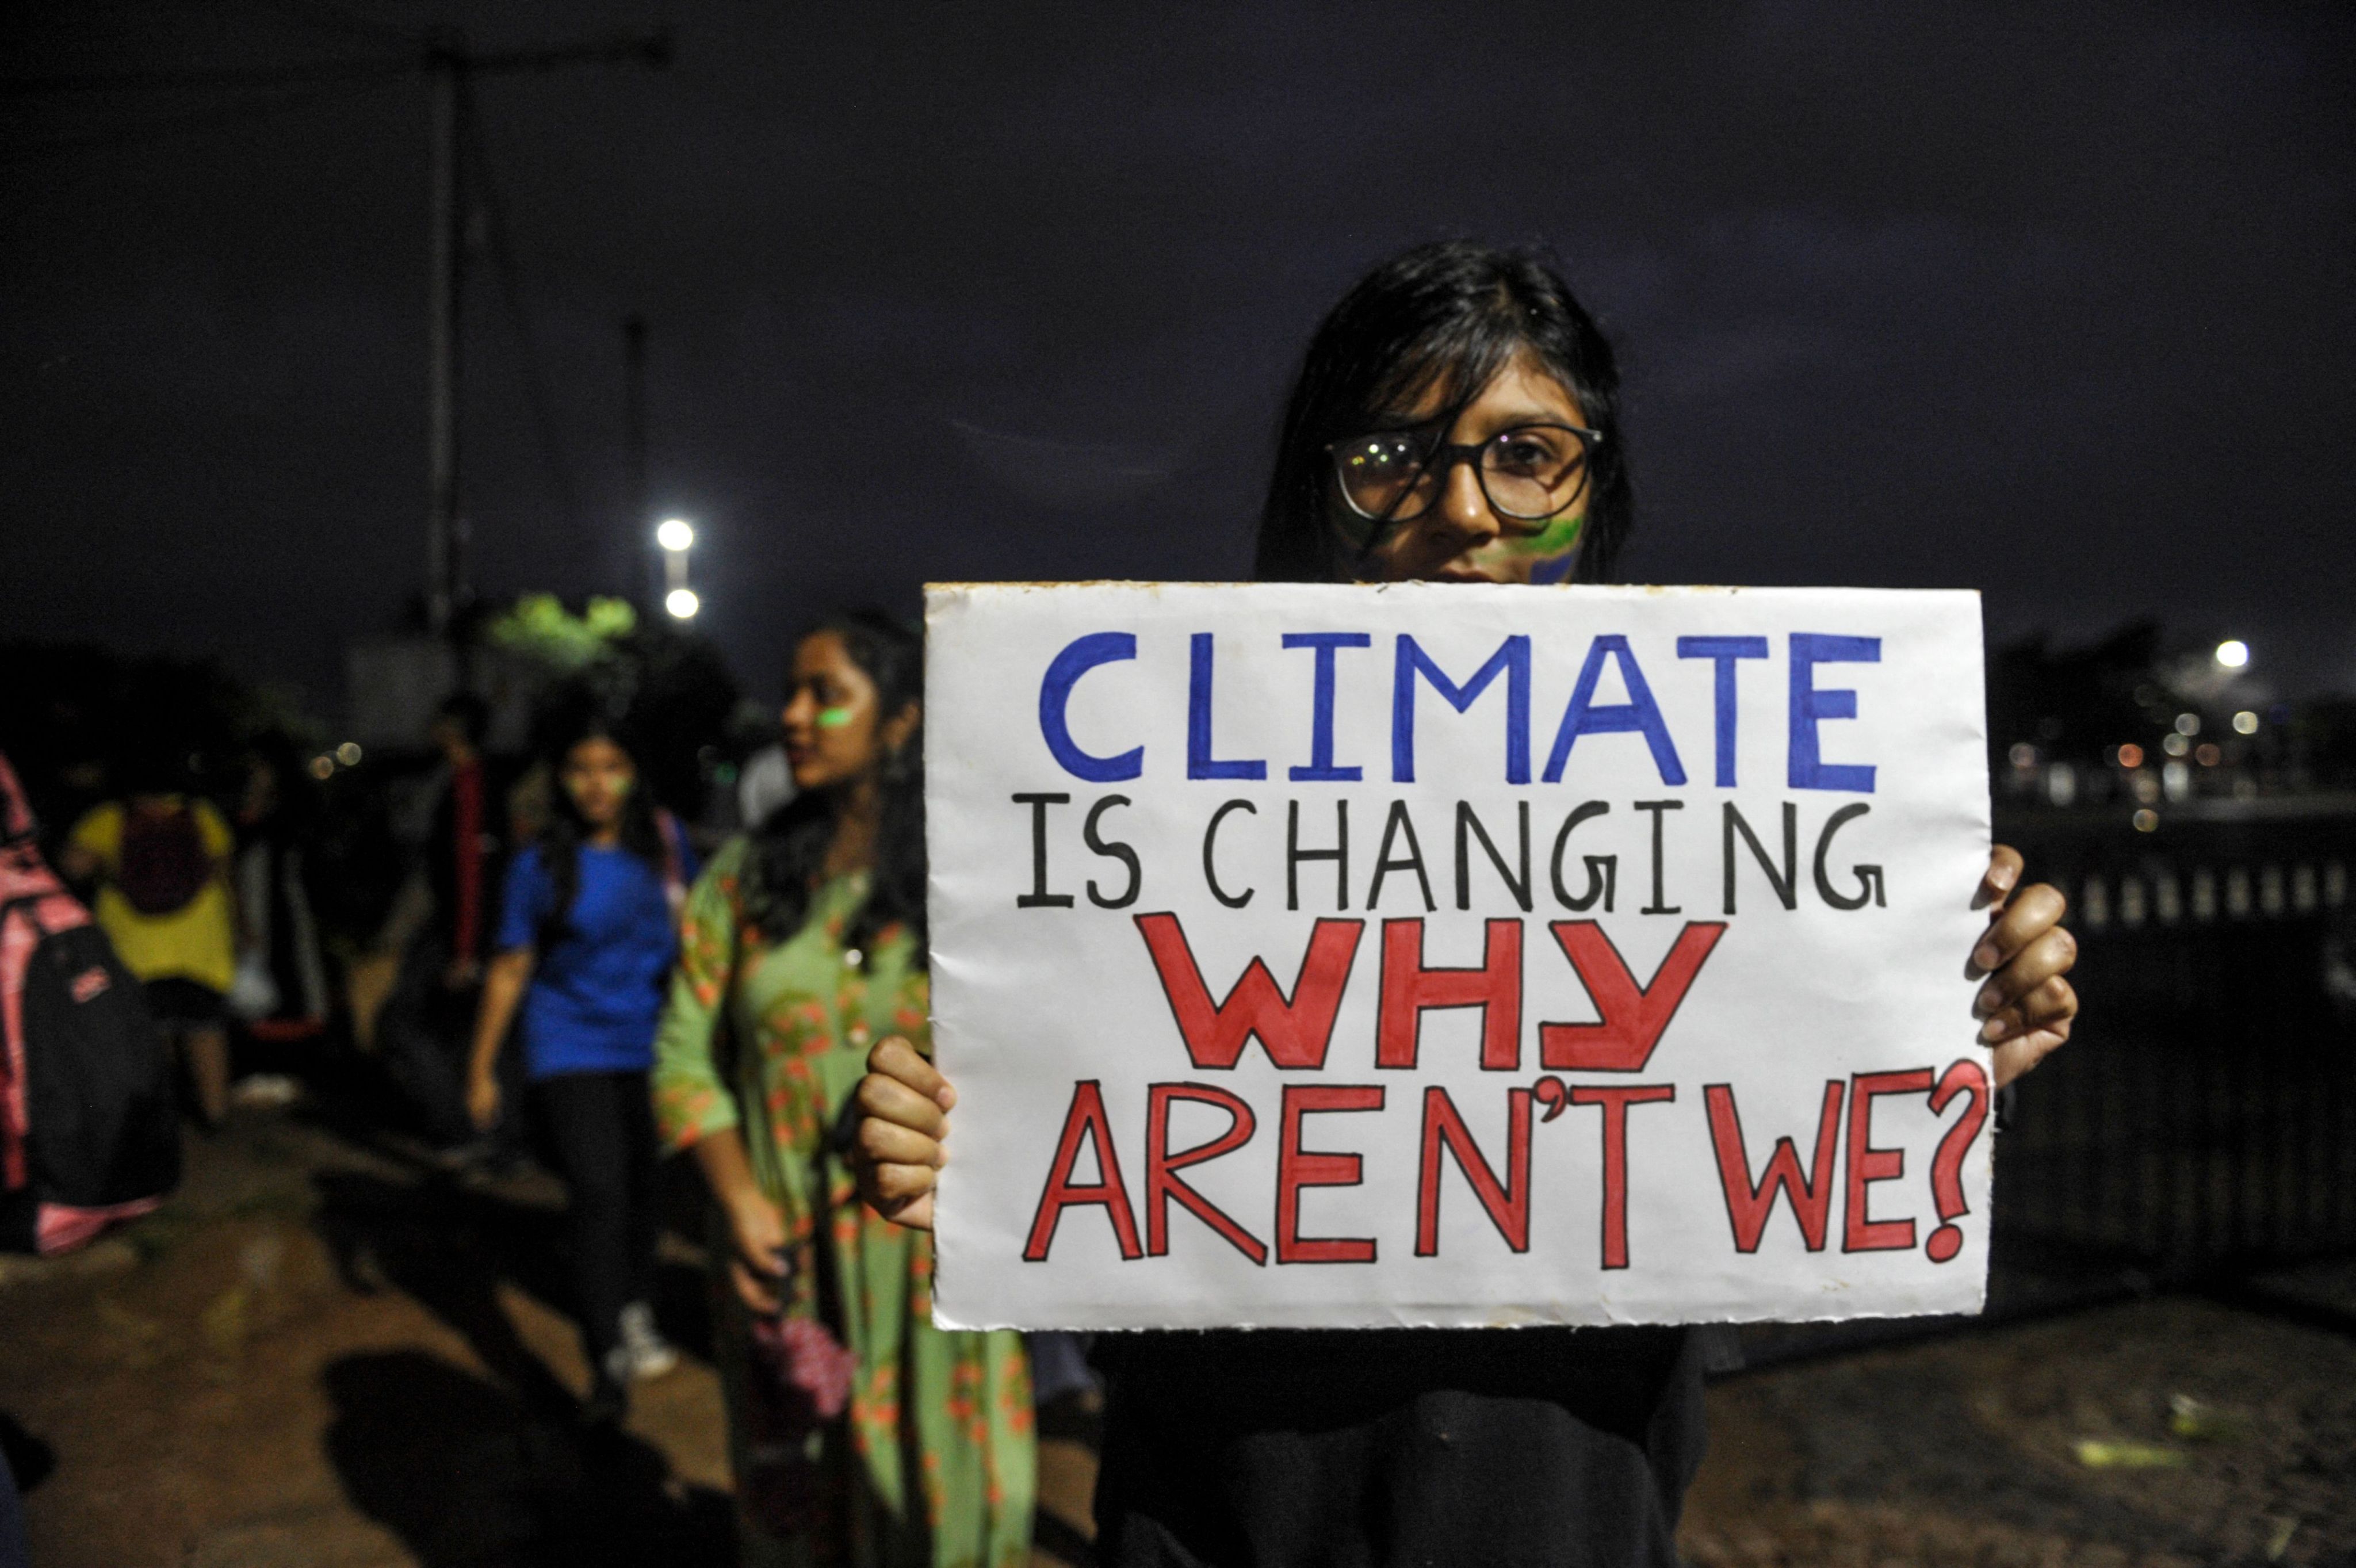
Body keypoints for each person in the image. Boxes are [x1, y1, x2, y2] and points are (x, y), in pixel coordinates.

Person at [848, 241, 2082, 1567]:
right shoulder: (1158, 789)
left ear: (1588, 482)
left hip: (1566, 1514)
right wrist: (959, 1146)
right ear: (1318, 484)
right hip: (1216, 1521)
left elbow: (1753, 1171)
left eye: (1524, 451)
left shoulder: (1711, 802)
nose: (1463, 510)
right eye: (1391, 453)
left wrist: (1935, 1029)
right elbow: (1072, 1123)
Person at [652, 610, 1034, 1567]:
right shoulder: (739, 883)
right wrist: (739, 1201)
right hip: (784, 1254)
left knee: (941, 1493)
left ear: (901, 719)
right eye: (791, 692)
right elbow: (685, 1059)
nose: (794, 716)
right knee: (802, 1508)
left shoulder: (975, 877)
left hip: (936, 1259)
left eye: (828, 694)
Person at [465, 705, 690, 1421]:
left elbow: (695, 939)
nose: (598, 785)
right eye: (582, 770)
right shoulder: (537, 862)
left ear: (634, 774)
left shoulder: (663, 842)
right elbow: (509, 966)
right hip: (570, 1044)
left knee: (648, 1192)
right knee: (598, 1190)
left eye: (613, 768)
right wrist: (479, 1068)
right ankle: (605, 1359)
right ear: (560, 779)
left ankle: (634, 1308)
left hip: (654, 1042)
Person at [58, 747, 240, 1129]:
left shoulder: (109, 818)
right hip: (200, 948)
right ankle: (216, 1113)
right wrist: (243, 927)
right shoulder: (200, 814)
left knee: (146, 1036)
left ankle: (157, 1118)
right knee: (204, 1028)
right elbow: (225, 871)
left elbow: (74, 865)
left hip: (134, 951)